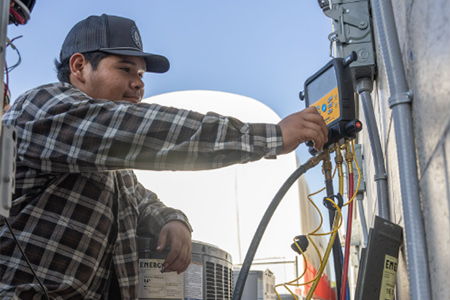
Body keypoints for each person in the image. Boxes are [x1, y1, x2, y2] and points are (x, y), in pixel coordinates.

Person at [0, 14, 328, 300]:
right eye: (126, 69)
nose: (138, 84)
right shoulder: (43, 107)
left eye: (142, 75)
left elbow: (140, 200)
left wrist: (171, 218)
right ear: (79, 67)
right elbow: (144, 131)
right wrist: (272, 137)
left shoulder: (109, 168)